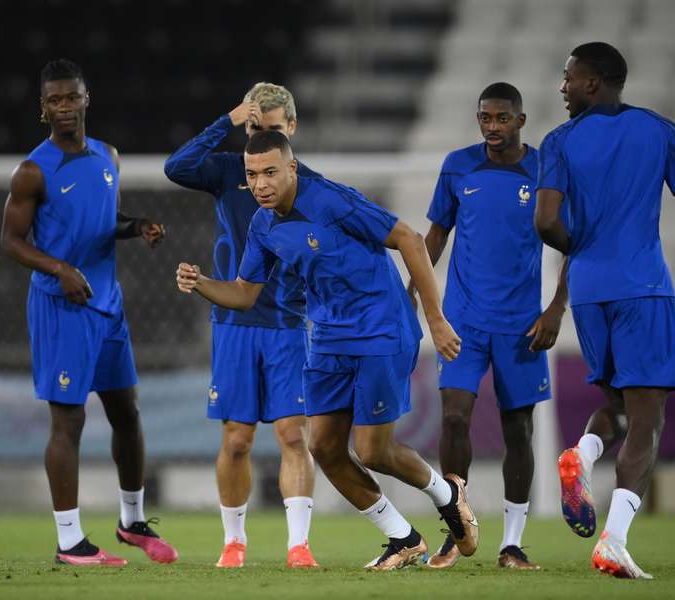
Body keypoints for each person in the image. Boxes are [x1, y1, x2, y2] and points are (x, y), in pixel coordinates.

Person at [176, 130, 478, 571]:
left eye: (270, 172)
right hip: (327, 338)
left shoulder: (333, 201)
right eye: (252, 174)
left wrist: (435, 318)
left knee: (374, 451)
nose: (260, 184)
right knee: (324, 447)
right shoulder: (262, 225)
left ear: (292, 169)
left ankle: (448, 496)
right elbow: (244, 292)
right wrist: (201, 283)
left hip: (379, 329)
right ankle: (403, 538)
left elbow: (410, 240)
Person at [535, 42, 675, 579]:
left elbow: (546, 223)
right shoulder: (661, 131)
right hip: (642, 287)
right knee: (647, 419)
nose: (563, 88)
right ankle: (613, 540)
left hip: (588, 291)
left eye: (569, 79)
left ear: (593, 83)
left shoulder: (558, 141)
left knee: (616, 404)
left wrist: (582, 248)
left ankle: (584, 454)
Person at [0, 59, 177, 566]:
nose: (63, 107)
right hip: (63, 307)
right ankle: (70, 541)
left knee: (127, 413)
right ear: (43, 108)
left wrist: (137, 225)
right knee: (69, 421)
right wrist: (59, 269)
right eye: (53, 100)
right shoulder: (33, 170)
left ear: (86, 99)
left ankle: (131, 520)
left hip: (107, 305)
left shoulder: (107, 157)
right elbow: (9, 240)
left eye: (71, 97)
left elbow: (106, 220)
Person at [164, 83, 319, 568]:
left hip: (286, 323)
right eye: (254, 129)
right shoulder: (229, 171)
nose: (261, 141)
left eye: (272, 130)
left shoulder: (310, 184)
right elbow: (176, 166)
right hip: (233, 321)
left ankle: (298, 546)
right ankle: (234, 542)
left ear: (291, 130)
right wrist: (227, 120)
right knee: (237, 437)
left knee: (293, 435)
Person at [422, 82, 567, 571]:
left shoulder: (545, 167)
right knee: (455, 417)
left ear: (521, 121)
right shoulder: (458, 166)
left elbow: (575, 242)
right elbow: (436, 235)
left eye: (502, 118)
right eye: (485, 118)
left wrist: (556, 309)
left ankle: (512, 543)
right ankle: (455, 527)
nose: (492, 127)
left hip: (522, 324)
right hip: (463, 319)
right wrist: (414, 297)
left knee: (518, 429)